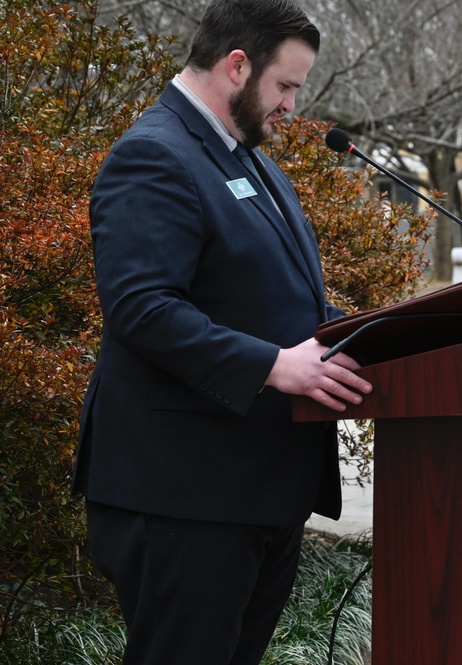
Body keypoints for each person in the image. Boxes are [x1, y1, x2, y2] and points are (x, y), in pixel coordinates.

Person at [72, 1, 372, 663]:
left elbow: (262, 294)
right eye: (286, 85)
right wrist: (275, 365)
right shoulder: (154, 155)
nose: (293, 105)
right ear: (237, 65)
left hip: (256, 489)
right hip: (183, 494)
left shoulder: (248, 160)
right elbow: (142, 307)